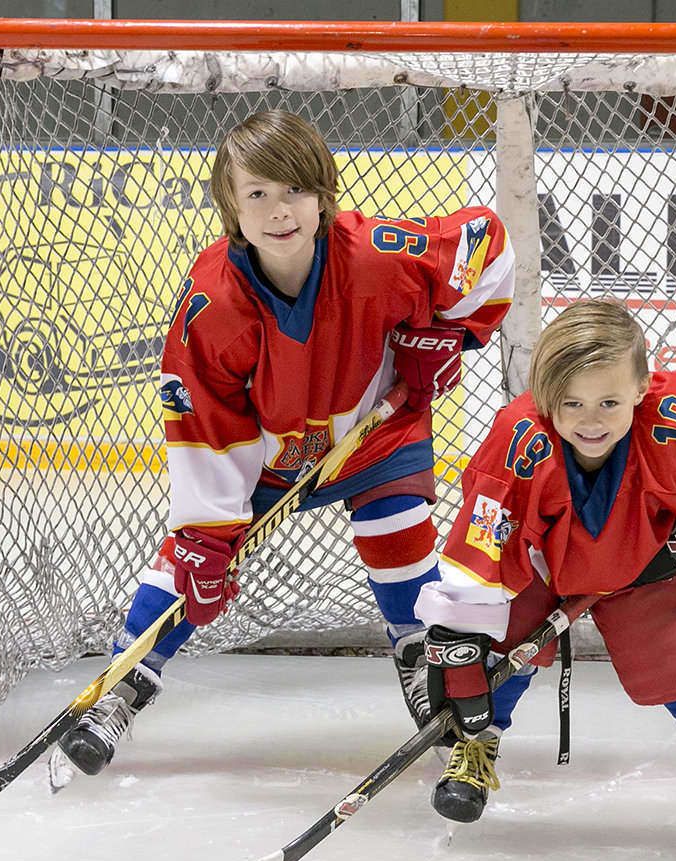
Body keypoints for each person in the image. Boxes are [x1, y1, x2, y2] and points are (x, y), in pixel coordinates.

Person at [52, 109, 513, 781]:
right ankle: (124, 680)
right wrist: (209, 539)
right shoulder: (212, 307)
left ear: (324, 194)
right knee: (191, 565)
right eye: (257, 194)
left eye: (295, 190)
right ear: (229, 208)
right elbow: (203, 426)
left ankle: (418, 654)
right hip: (268, 457)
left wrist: (449, 332)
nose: (278, 210)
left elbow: (486, 243)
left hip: (376, 430)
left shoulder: (381, 256)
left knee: (402, 532)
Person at [413, 300, 676, 840]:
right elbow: (481, 544)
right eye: (572, 402)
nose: (591, 420)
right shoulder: (519, 442)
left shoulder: (675, 421)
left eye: (610, 401)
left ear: (640, 387)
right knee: (506, 652)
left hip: (642, 564)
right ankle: (475, 743)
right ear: (544, 395)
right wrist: (461, 645)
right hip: (539, 567)